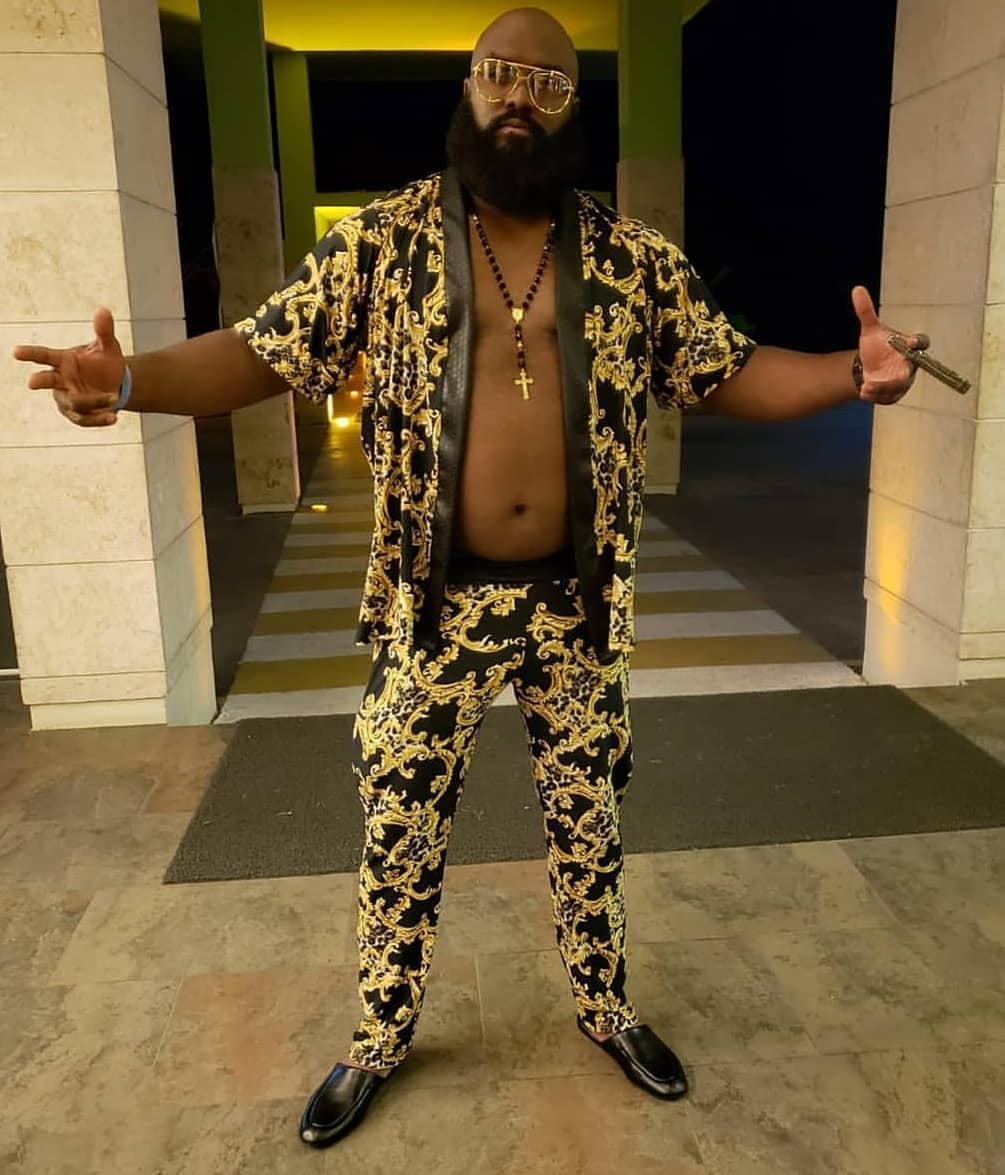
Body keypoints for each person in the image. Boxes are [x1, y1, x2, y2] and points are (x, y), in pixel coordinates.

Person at [14, 6, 922, 1151]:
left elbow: (728, 369)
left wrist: (849, 372)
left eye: (548, 82)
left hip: (578, 606)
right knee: (398, 822)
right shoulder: (385, 240)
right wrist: (130, 379)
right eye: (500, 74)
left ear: (573, 108)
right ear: (469, 87)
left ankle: (605, 1006)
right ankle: (378, 1034)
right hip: (432, 606)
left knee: (590, 822)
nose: (519, 98)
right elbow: (259, 350)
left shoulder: (629, 258)